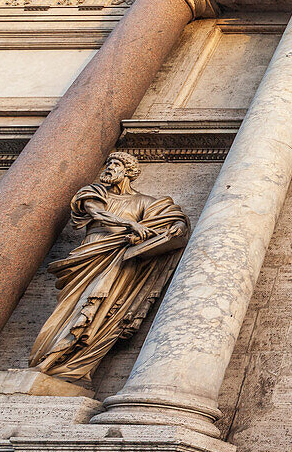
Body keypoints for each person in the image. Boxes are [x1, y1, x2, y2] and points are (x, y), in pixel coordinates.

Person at [29, 151, 189, 382]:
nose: (110, 168)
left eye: (116, 165)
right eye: (109, 163)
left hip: (121, 258)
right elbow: (97, 213)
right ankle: (45, 357)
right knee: (72, 306)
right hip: (91, 254)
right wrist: (130, 224)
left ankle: (71, 366)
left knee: (101, 308)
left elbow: (173, 218)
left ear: (129, 172)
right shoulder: (94, 193)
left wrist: (177, 227)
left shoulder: (144, 202)